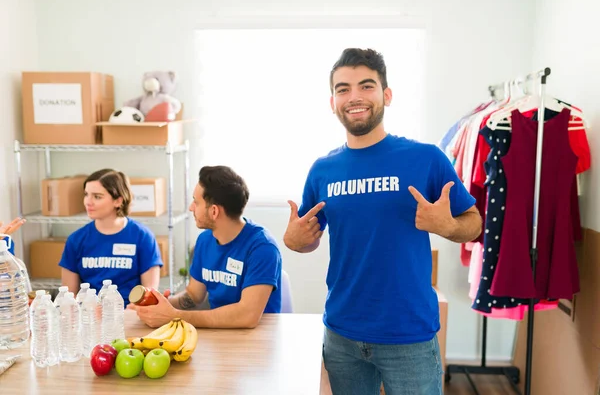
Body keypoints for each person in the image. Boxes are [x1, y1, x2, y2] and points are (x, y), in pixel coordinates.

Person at [283, 48, 482, 395]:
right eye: (343, 89)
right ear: (332, 102)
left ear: (386, 95)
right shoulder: (322, 171)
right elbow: (308, 236)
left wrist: (448, 226)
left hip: (409, 336)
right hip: (342, 334)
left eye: (366, 86)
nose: (354, 96)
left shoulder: (426, 159)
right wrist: (294, 241)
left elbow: (474, 222)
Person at [129, 165, 282, 328]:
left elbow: (247, 316)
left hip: (258, 338)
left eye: (196, 201)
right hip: (218, 333)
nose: (191, 208)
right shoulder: (205, 240)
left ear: (214, 211)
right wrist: (163, 304)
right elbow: (194, 295)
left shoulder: (262, 248)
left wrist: (175, 316)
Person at [59, 169, 162, 305]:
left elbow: (149, 296)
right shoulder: (76, 240)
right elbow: (69, 298)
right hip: (89, 317)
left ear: (118, 201)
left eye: (97, 196)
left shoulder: (142, 237)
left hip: (132, 315)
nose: (88, 202)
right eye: (86, 195)